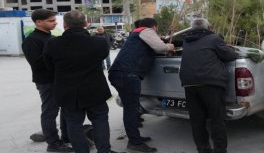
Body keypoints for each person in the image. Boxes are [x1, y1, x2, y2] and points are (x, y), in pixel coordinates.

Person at [43, 10, 124, 153]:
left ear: (65, 24)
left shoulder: (53, 44)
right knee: (100, 121)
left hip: (67, 91)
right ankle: (104, 150)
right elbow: (103, 56)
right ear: (85, 23)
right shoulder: (98, 42)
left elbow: (49, 66)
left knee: (73, 124)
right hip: (95, 90)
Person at [109, 18, 174, 152]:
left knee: (131, 109)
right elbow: (160, 47)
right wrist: (170, 46)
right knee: (131, 110)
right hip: (126, 75)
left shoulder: (137, 33)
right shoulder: (146, 31)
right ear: (154, 27)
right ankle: (135, 142)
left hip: (121, 74)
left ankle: (135, 138)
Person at [179, 18, 237, 153]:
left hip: (189, 83)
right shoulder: (214, 38)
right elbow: (229, 56)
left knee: (197, 119)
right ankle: (220, 150)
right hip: (210, 82)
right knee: (217, 118)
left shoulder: (186, 41)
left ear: (192, 28)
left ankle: (203, 149)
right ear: (208, 27)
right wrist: (232, 50)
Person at [22, 9, 73, 152]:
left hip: (60, 79)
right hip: (46, 82)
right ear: (38, 22)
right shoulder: (32, 40)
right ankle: (53, 143)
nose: (55, 23)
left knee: (66, 109)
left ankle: (67, 137)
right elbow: (38, 64)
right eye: (51, 21)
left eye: (55, 20)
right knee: (50, 112)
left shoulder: (52, 37)